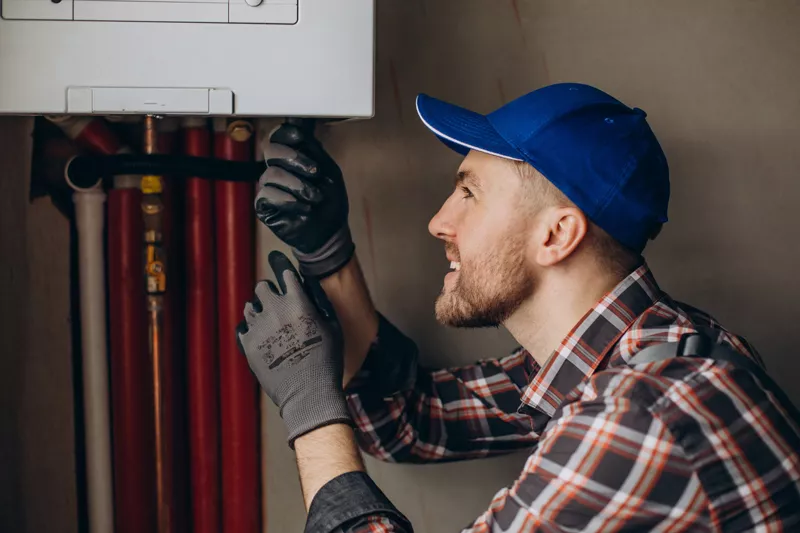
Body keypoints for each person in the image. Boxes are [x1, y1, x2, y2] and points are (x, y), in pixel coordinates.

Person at [236, 83, 800, 532]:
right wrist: (327, 251)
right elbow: (409, 423)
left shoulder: (643, 414)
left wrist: (310, 407)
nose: (439, 222)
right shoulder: (640, 346)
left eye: (469, 193)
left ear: (556, 235)